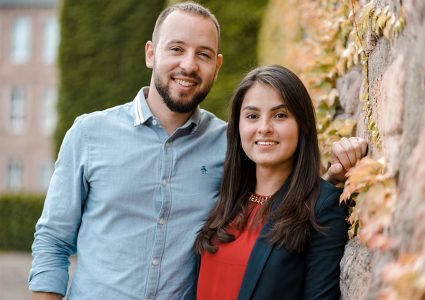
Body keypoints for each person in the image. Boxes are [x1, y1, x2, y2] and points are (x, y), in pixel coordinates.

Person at [29, 2, 366, 299]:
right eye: (176, 49)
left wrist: (333, 180)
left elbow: (282, 192)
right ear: (151, 53)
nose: (188, 65)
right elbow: (53, 241)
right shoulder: (89, 134)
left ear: (217, 66)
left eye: (203, 54)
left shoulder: (232, 144)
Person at [195, 65, 348, 300]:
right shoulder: (224, 198)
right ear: (237, 127)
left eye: (280, 115)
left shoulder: (323, 207)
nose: (264, 128)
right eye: (252, 116)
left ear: (302, 124)